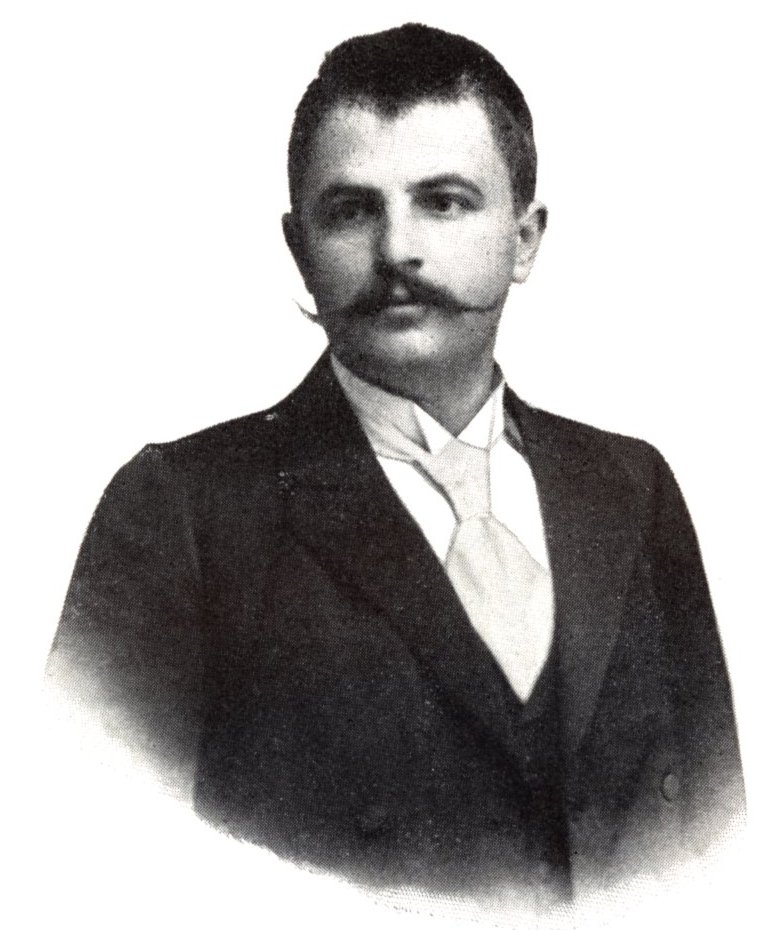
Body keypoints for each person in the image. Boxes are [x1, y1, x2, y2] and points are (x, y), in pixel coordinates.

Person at [47, 23, 744, 904]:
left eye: (443, 202)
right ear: (299, 249)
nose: (396, 252)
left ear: (525, 238)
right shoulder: (185, 509)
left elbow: (723, 852)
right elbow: (87, 858)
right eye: (351, 210)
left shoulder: (629, 487)